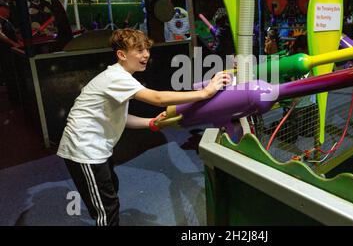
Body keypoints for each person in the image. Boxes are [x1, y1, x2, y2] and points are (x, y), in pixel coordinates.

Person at [56, 28, 231, 226]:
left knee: (110, 189)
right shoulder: (116, 78)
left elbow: (121, 117)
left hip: (97, 148)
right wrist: (205, 93)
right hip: (83, 150)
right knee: (106, 208)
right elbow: (157, 98)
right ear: (121, 55)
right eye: (138, 50)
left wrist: (149, 123)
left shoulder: (121, 77)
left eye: (146, 49)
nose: (146, 54)